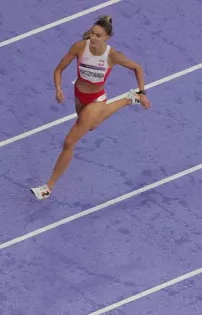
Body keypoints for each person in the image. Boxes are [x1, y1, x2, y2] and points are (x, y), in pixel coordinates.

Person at [30, 16, 151, 200]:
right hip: (79, 96)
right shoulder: (80, 46)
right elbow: (58, 69)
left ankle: (48, 187)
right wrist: (58, 88)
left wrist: (143, 91)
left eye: (98, 35)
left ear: (107, 37)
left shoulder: (112, 55)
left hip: (97, 100)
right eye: (92, 33)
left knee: (69, 142)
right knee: (92, 126)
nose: (93, 38)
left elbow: (137, 68)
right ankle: (128, 99)